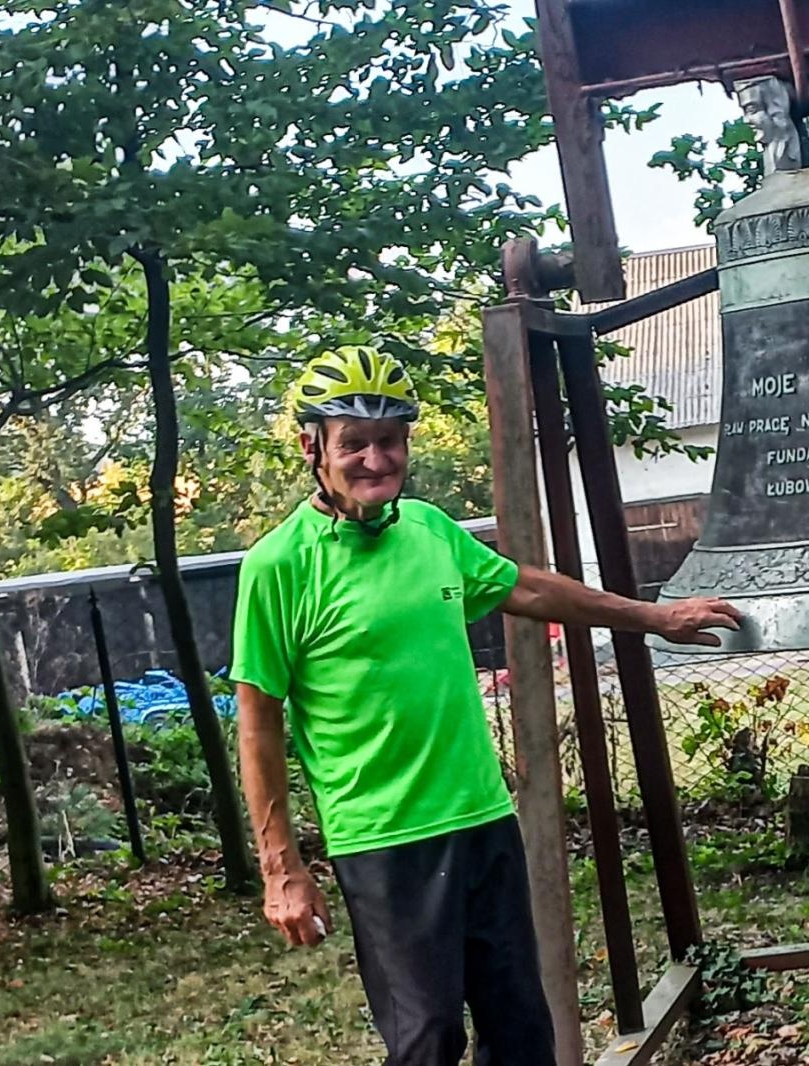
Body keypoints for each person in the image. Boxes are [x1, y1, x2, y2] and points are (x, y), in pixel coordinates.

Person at [230, 345, 741, 1065]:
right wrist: (280, 866)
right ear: (312, 446)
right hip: (383, 838)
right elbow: (258, 725)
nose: (377, 459)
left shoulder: (432, 531)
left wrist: (655, 617)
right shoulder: (279, 566)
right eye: (355, 444)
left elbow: (530, 589)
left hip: (482, 820)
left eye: (391, 440)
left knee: (522, 1032)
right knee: (428, 1038)